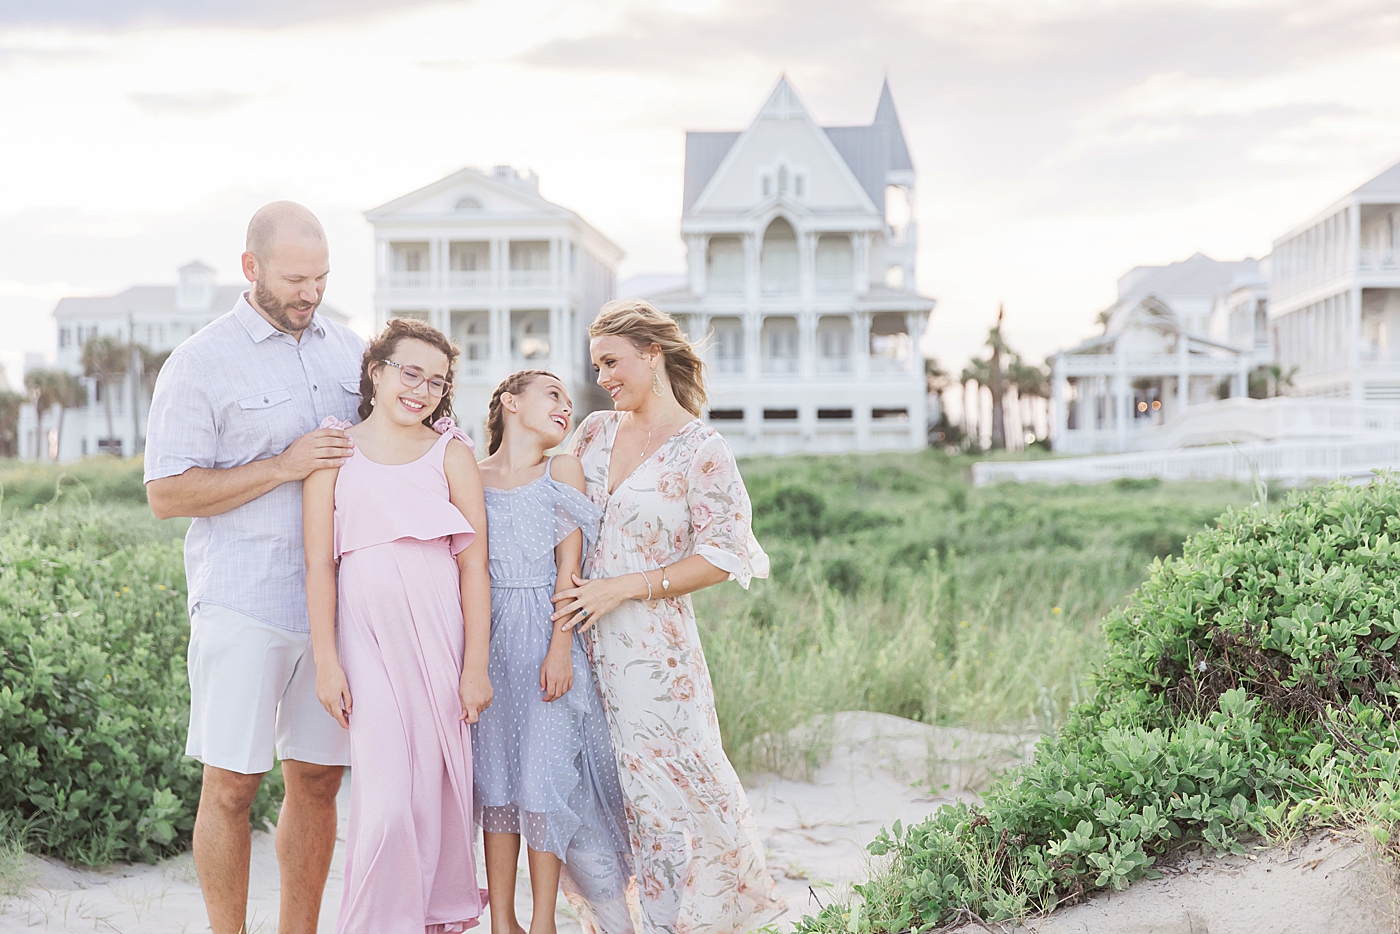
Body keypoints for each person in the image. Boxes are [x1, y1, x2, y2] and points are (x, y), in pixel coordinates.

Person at [145, 202, 364, 934]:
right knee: (233, 786)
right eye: (295, 278)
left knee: (319, 780)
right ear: (251, 269)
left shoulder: (352, 352)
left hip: (333, 608)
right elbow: (167, 494)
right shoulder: (199, 363)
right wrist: (281, 466)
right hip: (242, 601)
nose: (310, 293)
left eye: (321, 278)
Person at [552, 300, 785, 934]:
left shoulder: (701, 449)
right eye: (596, 364)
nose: (602, 377)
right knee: (603, 794)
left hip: (656, 653)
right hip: (582, 644)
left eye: (612, 362)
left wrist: (622, 588)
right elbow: (554, 510)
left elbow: (722, 555)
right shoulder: (595, 433)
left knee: (670, 798)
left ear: (652, 356)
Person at [302, 317, 492, 934]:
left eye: (436, 382)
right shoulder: (333, 450)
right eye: (410, 373)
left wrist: (475, 668)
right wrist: (327, 663)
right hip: (365, 641)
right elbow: (318, 566)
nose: (422, 390)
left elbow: (475, 569)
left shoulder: (451, 453)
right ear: (376, 370)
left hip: (440, 639)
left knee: (429, 800)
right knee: (384, 809)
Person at [472, 370, 634, 934]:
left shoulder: (561, 469)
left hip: (545, 633)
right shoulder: (471, 472)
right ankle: (502, 921)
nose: (566, 406)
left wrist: (560, 648)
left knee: (543, 781)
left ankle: (543, 922)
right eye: (553, 395)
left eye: (569, 400)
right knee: (495, 781)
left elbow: (572, 570)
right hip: (486, 641)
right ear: (511, 402)